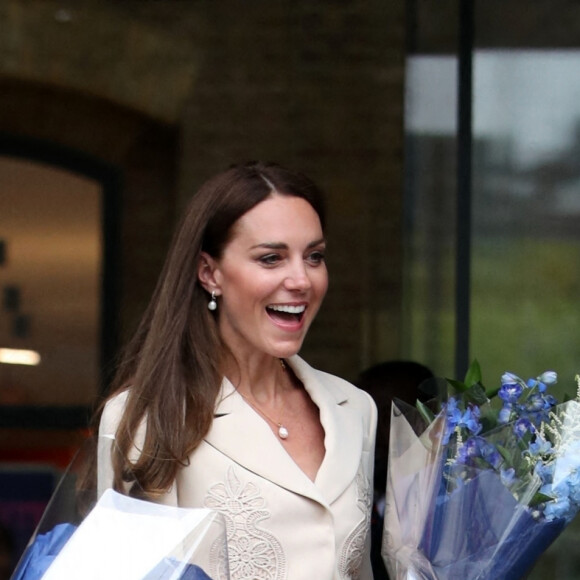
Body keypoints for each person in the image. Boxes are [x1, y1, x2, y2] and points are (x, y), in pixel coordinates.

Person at [96, 162, 377, 580]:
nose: (301, 279)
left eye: (314, 256)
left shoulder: (355, 409)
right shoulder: (146, 417)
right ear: (210, 273)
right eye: (271, 258)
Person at [355, 360, 435, 580]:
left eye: (389, 415)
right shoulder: (348, 492)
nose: (372, 430)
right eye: (364, 416)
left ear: (426, 420)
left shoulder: (445, 505)